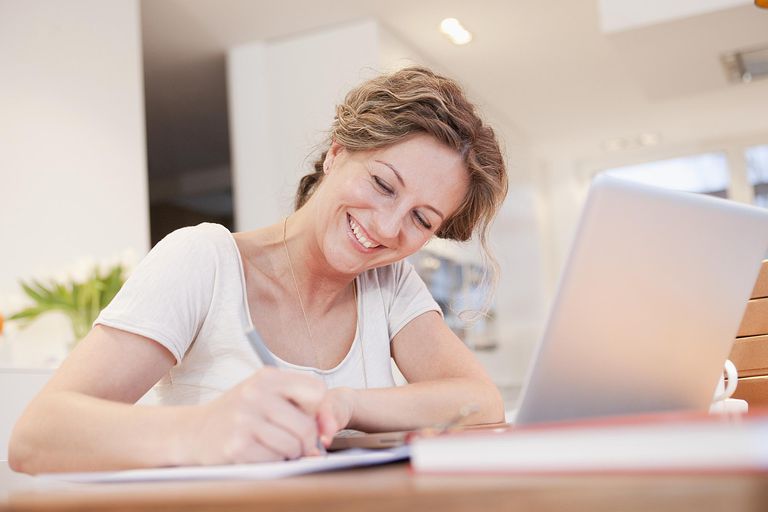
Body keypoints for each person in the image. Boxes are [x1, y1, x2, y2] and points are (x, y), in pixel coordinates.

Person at [9, 66, 509, 473]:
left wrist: (345, 404)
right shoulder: (203, 260)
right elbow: (36, 438)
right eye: (382, 184)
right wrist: (203, 430)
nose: (387, 227)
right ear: (336, 154)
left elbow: (478, 403)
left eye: (422, 219)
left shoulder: (390, 282)